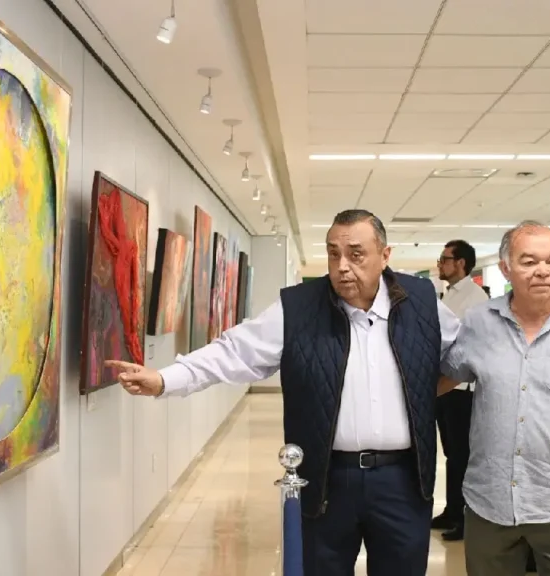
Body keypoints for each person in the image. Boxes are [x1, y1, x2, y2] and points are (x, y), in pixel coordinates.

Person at [106, 209, 463, 576]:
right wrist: (165, 379)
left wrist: (422, 394)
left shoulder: (422, 302)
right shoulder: (298, 308)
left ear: (384, 256)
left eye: (356, 254)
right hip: (325, 479)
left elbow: (461, 356)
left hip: (403, 481)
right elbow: (233, 352)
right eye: (333, 253)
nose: (342, 266)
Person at [440, 221, 550, 576]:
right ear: (506, 268)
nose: (543, 271)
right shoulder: (479, 322)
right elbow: (445, 378)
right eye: (529, 261)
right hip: (489, 504)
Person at [433, 239, 489, 541]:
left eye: (445, 259)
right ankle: (452, 510)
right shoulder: (450, 294)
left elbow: (469, 344)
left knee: (462, 455)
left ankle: (466, 517)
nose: (440, 264)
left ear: (461, 264)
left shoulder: (475, 297)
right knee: (451, 454)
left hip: (461, 387)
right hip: (444, 385)